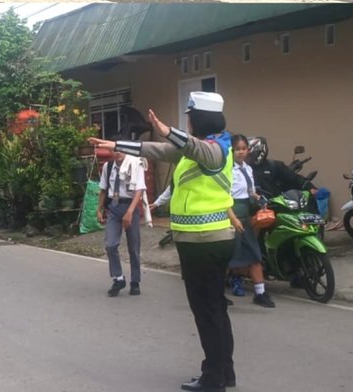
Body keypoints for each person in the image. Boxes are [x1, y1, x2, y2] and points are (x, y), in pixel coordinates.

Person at [90, 92, 236, 392]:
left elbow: (196, 149)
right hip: (206, 240)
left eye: (190, 116)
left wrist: (170, 131)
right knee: (215, 308)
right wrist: (117, 145)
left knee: (207, 310)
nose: (188, 121)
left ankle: (213, 377)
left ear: (200, 118)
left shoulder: (216, 149)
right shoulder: (200, 148)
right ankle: (224, 370)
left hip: (204, 242)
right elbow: (157, 150)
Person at [225, 134, 273, 308]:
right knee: (227, 256)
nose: (241, 152)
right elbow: (223, 197)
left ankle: (260, 293)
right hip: (230, 215)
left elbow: (250, 192)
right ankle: (217, 293)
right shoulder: (226, 169)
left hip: (245, 216)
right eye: (237, 149)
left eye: (244, 149)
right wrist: (232, 218)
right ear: (231, 150)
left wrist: (259, 199)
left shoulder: (248, 169)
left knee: (254, 254)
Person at [97, 142, 146, 297]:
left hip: (130, 206)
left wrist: (130, 212)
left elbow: (139, 190)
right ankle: (118, 278)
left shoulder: (135, 164)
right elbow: (103, 189)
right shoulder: (108, 166)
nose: (118, 152)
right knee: (110, 245)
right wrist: (99, 209)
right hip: (114, 208)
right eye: (114, 149)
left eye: (121, 149)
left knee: (133, 247)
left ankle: (135, 281)